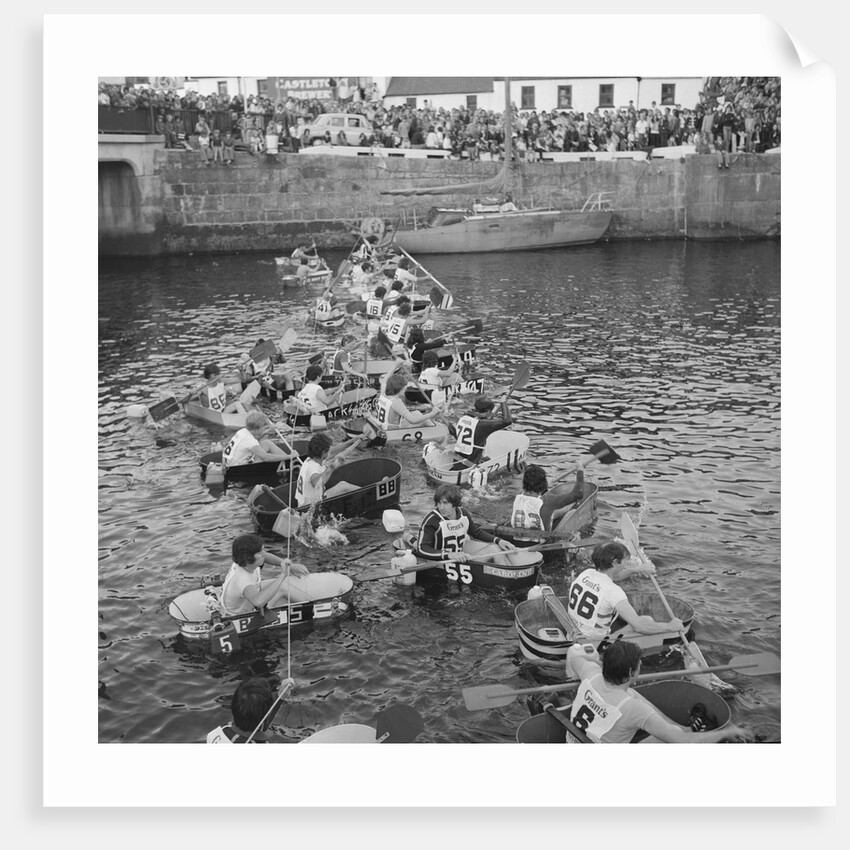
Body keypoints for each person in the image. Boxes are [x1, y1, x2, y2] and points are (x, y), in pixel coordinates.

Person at [563, 641, 748, 744]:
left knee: (632, 694)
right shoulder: (632, 710)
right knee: (668, 738)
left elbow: (576, 657)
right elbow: (681, 742)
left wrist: (599, 664)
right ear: (630, 673)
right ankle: (688, 730)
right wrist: (727, 732)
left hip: (573, 740)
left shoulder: (590, 673)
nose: (640, 666)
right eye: (638, 665)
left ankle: (685, 727)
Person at [566, 541, 684, 640]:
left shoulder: (586, 574)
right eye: (625, 562)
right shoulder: (613, 591)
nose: (626, 565)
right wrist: (670, 626)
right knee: (646, 620)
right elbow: (639, 626)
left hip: (572, 634)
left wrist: (638, 569)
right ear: (615, 563)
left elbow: (615, 576)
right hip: (592, 642)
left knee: (642, 620)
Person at [416, 483, 516, 563]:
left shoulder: (463, 513)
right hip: (441, 561)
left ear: (454, 503)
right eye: (439, 503)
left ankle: (511, 576)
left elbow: (476, 532)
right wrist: (448, 555)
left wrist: (499, 540)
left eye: (445, 503)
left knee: (495, 547)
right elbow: (422, 548)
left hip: (460, 557)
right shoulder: (432, 519)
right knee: (494, 550)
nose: (441, 507)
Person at [219, 533, 311, 616]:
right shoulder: (242, 579)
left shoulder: (247, 563)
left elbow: (266, 556)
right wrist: (283, 575)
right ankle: (314, 605)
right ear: (249, 557)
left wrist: (290, 567)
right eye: (260, 552)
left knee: (280, 585)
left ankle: (311, 602)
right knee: (281, 586)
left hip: (244, 602)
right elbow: (258, 602)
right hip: (238, 615)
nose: (264, 554)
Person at [207, 676, 295, 744]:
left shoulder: (217, 732)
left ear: (233, 707)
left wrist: (281, 697)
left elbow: (261, 722)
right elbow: (262, 722)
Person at [295, 432, 367, 507]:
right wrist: (333, 466)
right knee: (344, 486)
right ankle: (370, 493)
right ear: (323, 453)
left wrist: (351, 441)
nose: (330, 451)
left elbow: (333, 451)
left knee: (342, 485)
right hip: (310, 506)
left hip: (305, 501)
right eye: (328, 450)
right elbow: (317, 483)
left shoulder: (311, 458)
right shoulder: (313, 467)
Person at [511, 462, 585, 533]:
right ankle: (570, 507)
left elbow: (534, 496)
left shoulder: (519, 497)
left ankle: (567, 508)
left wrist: (546, 486)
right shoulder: (548, 501)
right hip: (540, 541)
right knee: (572, 511)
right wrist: (580, 470)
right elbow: (579, 493)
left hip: (518, 538)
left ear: (524, 483)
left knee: (553, 512)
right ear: (543, 484)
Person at [367, 371, 444, 436]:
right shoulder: (396, 402)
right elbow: (413, 420)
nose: (405, 389)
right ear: (399, 388)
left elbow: (384, 380)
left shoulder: (383, 393)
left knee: (416, 413)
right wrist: (432, 413)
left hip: (382, 427)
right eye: (404, 388)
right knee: (426, 420)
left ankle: (435, 426)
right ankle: (438, 433)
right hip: (392, 433)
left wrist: (396, 364)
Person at [450, 395, 512, 467]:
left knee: (486, 458)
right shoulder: (482, 425)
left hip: (457, 462)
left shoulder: (463, 418)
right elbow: (507, 421)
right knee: (488, 458)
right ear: (489, 411)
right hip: (470, 467)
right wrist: (503, 402)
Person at [221, 410, 295, 470]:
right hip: (236, 468)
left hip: (228, 463)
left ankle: (287, 461)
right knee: (266, 449)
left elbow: (257, 439)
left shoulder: (243, 431)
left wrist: (268, 430)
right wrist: (289, 456)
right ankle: (289, 460)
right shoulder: (250, 440)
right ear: (258, 428)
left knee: (266, 443)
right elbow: (266, 457)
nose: (265, 430)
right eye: (264, 428)